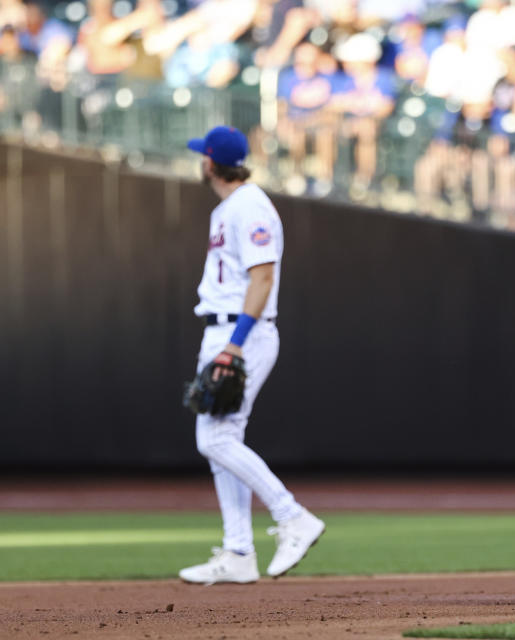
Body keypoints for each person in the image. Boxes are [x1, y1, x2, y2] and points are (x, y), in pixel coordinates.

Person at [179, 126, 325, 585]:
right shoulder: (230, 207)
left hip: (243, 332)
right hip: (225, 330)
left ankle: (293, 516)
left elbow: (263, 278)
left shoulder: (250, 206)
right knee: (222, 441)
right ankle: (239, 551)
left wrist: (235, 345)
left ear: (209, 162)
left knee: (215, 440)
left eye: (200, 155)